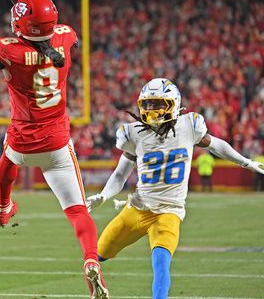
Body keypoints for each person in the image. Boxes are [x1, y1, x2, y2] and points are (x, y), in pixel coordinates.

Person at [0, 0, 109, 299]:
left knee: (7, 163)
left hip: (23, 140)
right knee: (78, 212)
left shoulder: (8, 50)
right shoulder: (66, 37)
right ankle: (90, 261)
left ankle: (3, 206)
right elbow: (42, 31)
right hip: (57, 141)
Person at [86, 78, 264, 299]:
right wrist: (104, 195)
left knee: (161, 265)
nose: (151, 109)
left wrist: (245, 162)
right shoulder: (135, 134)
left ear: (173, 103)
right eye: (148, 104)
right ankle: (98, 291)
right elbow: (121, 173)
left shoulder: (188, 126)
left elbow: (217, 145)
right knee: (93, 257)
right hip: (137, 208)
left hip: (169, 212)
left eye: (157, 103)